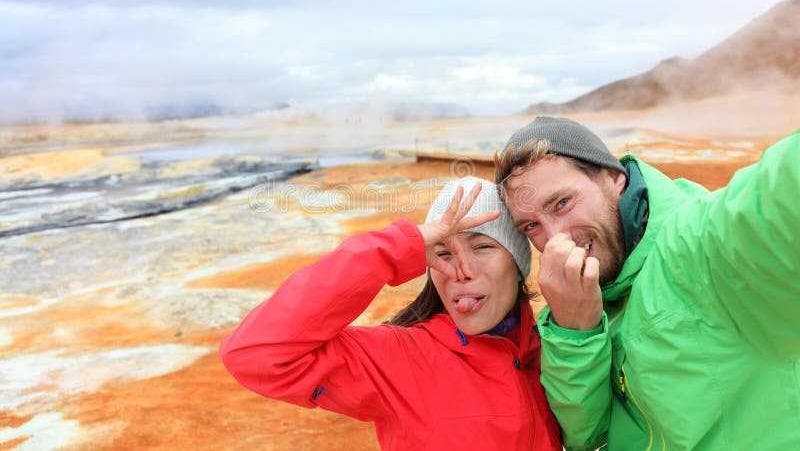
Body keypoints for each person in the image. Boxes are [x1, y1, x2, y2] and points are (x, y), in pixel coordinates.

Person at [493, 116, 800, 450]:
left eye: (563, 203)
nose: (555, 238)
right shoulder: (574, 299)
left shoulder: (704, 243)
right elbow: (586, 435)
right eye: (531, 226)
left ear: (614, 178)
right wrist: (576, 331)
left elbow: (777, 197)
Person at [220, 176, 562, 450]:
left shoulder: (556, 351)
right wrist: (399, 247)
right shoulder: (400, 358)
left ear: (517, 266)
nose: (462, 270)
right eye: (442, 252)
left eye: (483, 247)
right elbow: (255, 354)